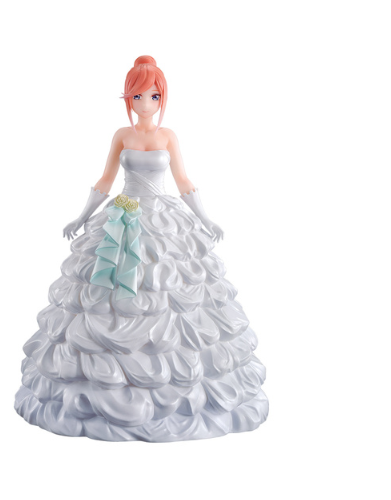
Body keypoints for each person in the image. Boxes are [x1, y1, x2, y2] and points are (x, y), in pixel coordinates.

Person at [14, 55, 269, 442]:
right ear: (128, 98)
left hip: (164, 217)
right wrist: (81, 216)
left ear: (162, 97)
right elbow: (106, 179)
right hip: (123, 214)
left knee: (169, 293)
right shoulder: (122, 135)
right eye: (137, 96)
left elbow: (183, 181)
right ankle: (107, 378)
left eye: (153, 96)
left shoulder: (169, 136)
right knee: (107, 293)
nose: (145, 103)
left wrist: (207, 219)